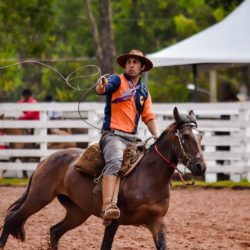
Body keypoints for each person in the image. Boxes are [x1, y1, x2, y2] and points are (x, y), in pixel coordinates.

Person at [96, 49, 159, 225]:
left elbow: (149, 116)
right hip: (112, 135)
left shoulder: (143, 91)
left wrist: (156, 136)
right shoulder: (117, 80)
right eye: (129, 62)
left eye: (135, 62)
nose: (131, 65)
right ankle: (108, 206)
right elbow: (102, 88)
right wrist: (101, 85)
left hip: (132, 139)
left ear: (142, 67)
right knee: (115, 162)